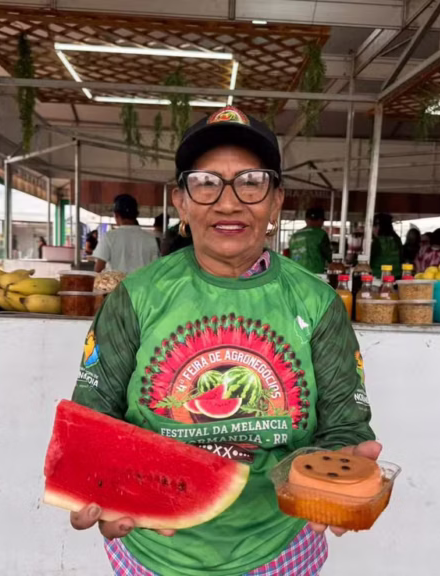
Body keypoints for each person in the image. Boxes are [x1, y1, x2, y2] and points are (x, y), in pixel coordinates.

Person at [70, 105, 380, 576]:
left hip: (280, 546)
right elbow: (93, 418)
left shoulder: (318, 303)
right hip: (154, 549)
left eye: (251, 182)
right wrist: (95, 486)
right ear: (180, 201)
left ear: (277, 200)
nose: (229, 202)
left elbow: (344, 425)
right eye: (206, 182)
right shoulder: (136, 297)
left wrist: (344, 473)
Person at [92, 194, 159, 274]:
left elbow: (98, 268)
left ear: (116, 215)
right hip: (142, 285)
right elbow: (156, 268)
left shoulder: (109, 237)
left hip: (117, 285)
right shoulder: (150, 238)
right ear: (136, 215)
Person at [288, 207, 332, 274]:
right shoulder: (321, 234)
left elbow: (289, 254)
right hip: (314, 275)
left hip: (295, 273)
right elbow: (328, 254)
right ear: (320, 220)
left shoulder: (295, 235)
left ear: (306, 220)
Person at [370, 213, 403, 278]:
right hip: (396, 276)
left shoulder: (377, 241)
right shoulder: (397, 239)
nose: (373, 229)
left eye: (374, 225)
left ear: (379, 226)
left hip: (379, 278)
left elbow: (369, 260)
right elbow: (401, 258)